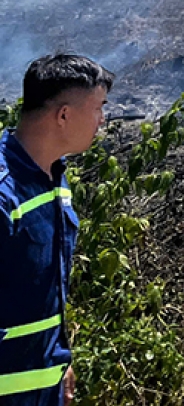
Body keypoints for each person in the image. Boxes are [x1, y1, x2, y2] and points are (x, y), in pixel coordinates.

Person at [0, 55, 113, 406]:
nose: (102, 120)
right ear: (63, 115)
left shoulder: (54, 181)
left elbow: (45, 288)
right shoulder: (5, 193)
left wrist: (59, 362)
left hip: (45, 387)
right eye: (97, 108)